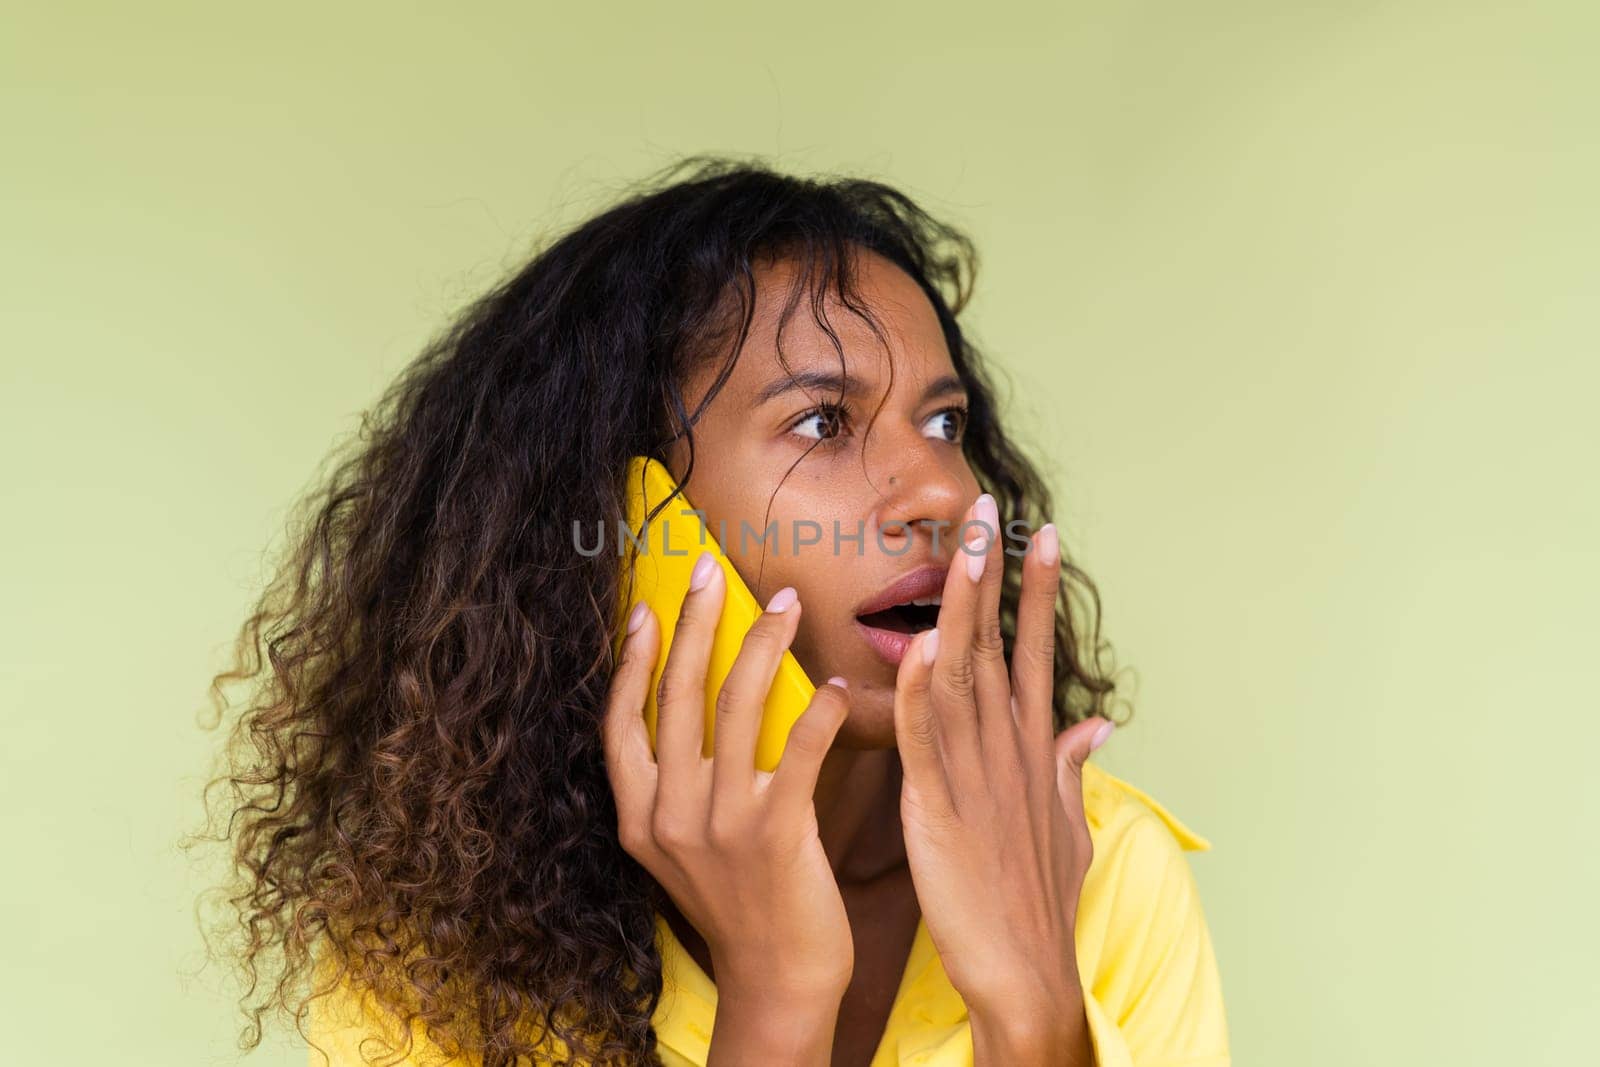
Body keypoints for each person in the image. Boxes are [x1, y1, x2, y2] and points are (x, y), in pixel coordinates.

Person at [197, 155, 1229, 1066]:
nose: (946, 493)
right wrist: (777, 994)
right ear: (630, 514)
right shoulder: (434, 939)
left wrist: (1034, 1005)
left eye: (944, 420)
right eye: (823, 421)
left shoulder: (1100, 866)